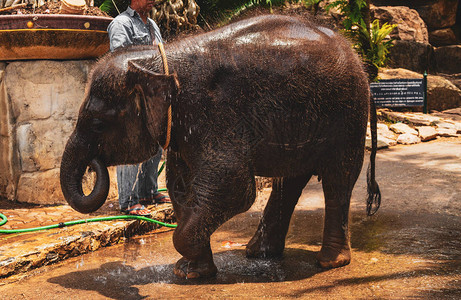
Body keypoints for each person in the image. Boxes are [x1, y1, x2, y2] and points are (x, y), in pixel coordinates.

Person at [107, 0, 170, 216]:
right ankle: (128, 201)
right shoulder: (121, 23)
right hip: (131, 97)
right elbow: (120, 61)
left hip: (152, 96)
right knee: (131, 146)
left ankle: (148, 192)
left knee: (154, 143)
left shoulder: (152, 24)